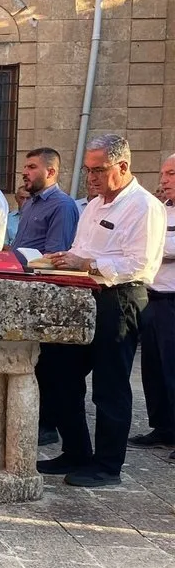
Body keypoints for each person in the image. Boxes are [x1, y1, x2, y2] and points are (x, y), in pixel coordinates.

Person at [40, 135, 166, 487]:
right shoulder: (94, 205)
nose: (91, 178)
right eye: (87, 170)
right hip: (84, 295)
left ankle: (108, 465)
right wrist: (61, 259)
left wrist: (87, 264)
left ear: (122, 166)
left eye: (98, 170)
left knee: (110, 385)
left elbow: (139, 264)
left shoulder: (144, 206)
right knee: (58, 372)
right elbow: (82, 250)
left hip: (120, 299)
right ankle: (76, 451)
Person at [11, 147, 81, 448]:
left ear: (50, 171)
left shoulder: (62, 206)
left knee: (49, 365)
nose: (24, 172)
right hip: (23, 288)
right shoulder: (30, 203)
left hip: (44, 294)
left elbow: (56, 254)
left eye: (31, 167)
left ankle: (47, 425)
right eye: (25, 166)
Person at [128, 153, 175, 454]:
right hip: (152, 296)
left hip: (173, 299)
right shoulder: (160, 210)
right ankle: (163, 427)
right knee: (153, 367)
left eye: (171, 174)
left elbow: (157, 247)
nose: (164, 180)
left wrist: (152, 247)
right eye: (163, 173)